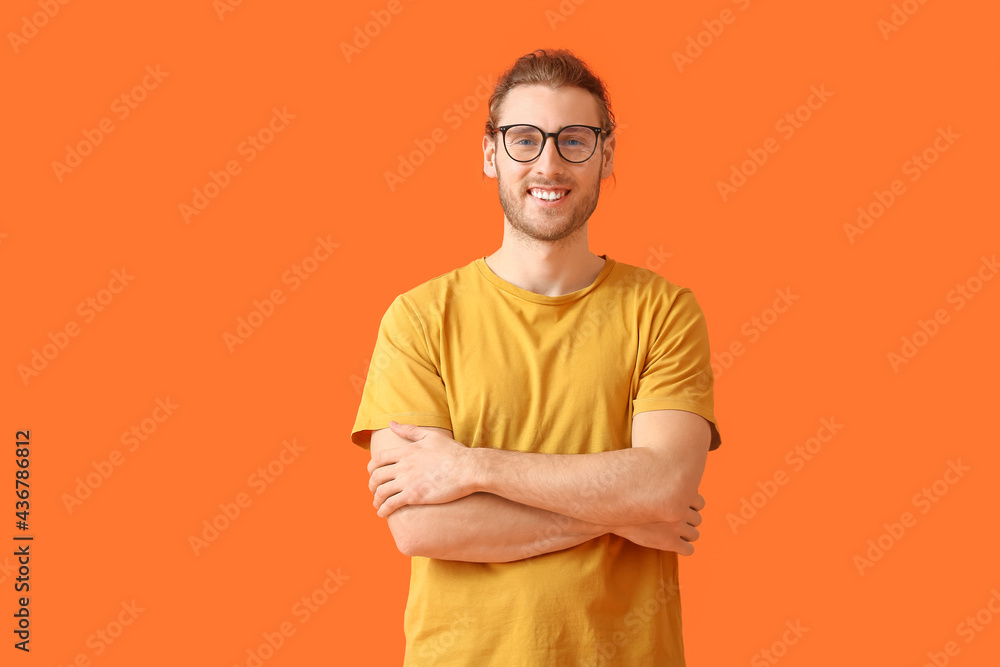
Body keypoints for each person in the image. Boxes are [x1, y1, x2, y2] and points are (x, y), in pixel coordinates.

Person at [351, 48, 722, 666]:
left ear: (606, 155)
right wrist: (623, 513)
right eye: (525, 139)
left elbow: (664, 486)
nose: (549, 163)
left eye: (574, 140)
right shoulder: (419, 318)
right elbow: (422, 528)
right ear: (491, 153)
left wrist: (469, 467)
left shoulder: (663, 311)